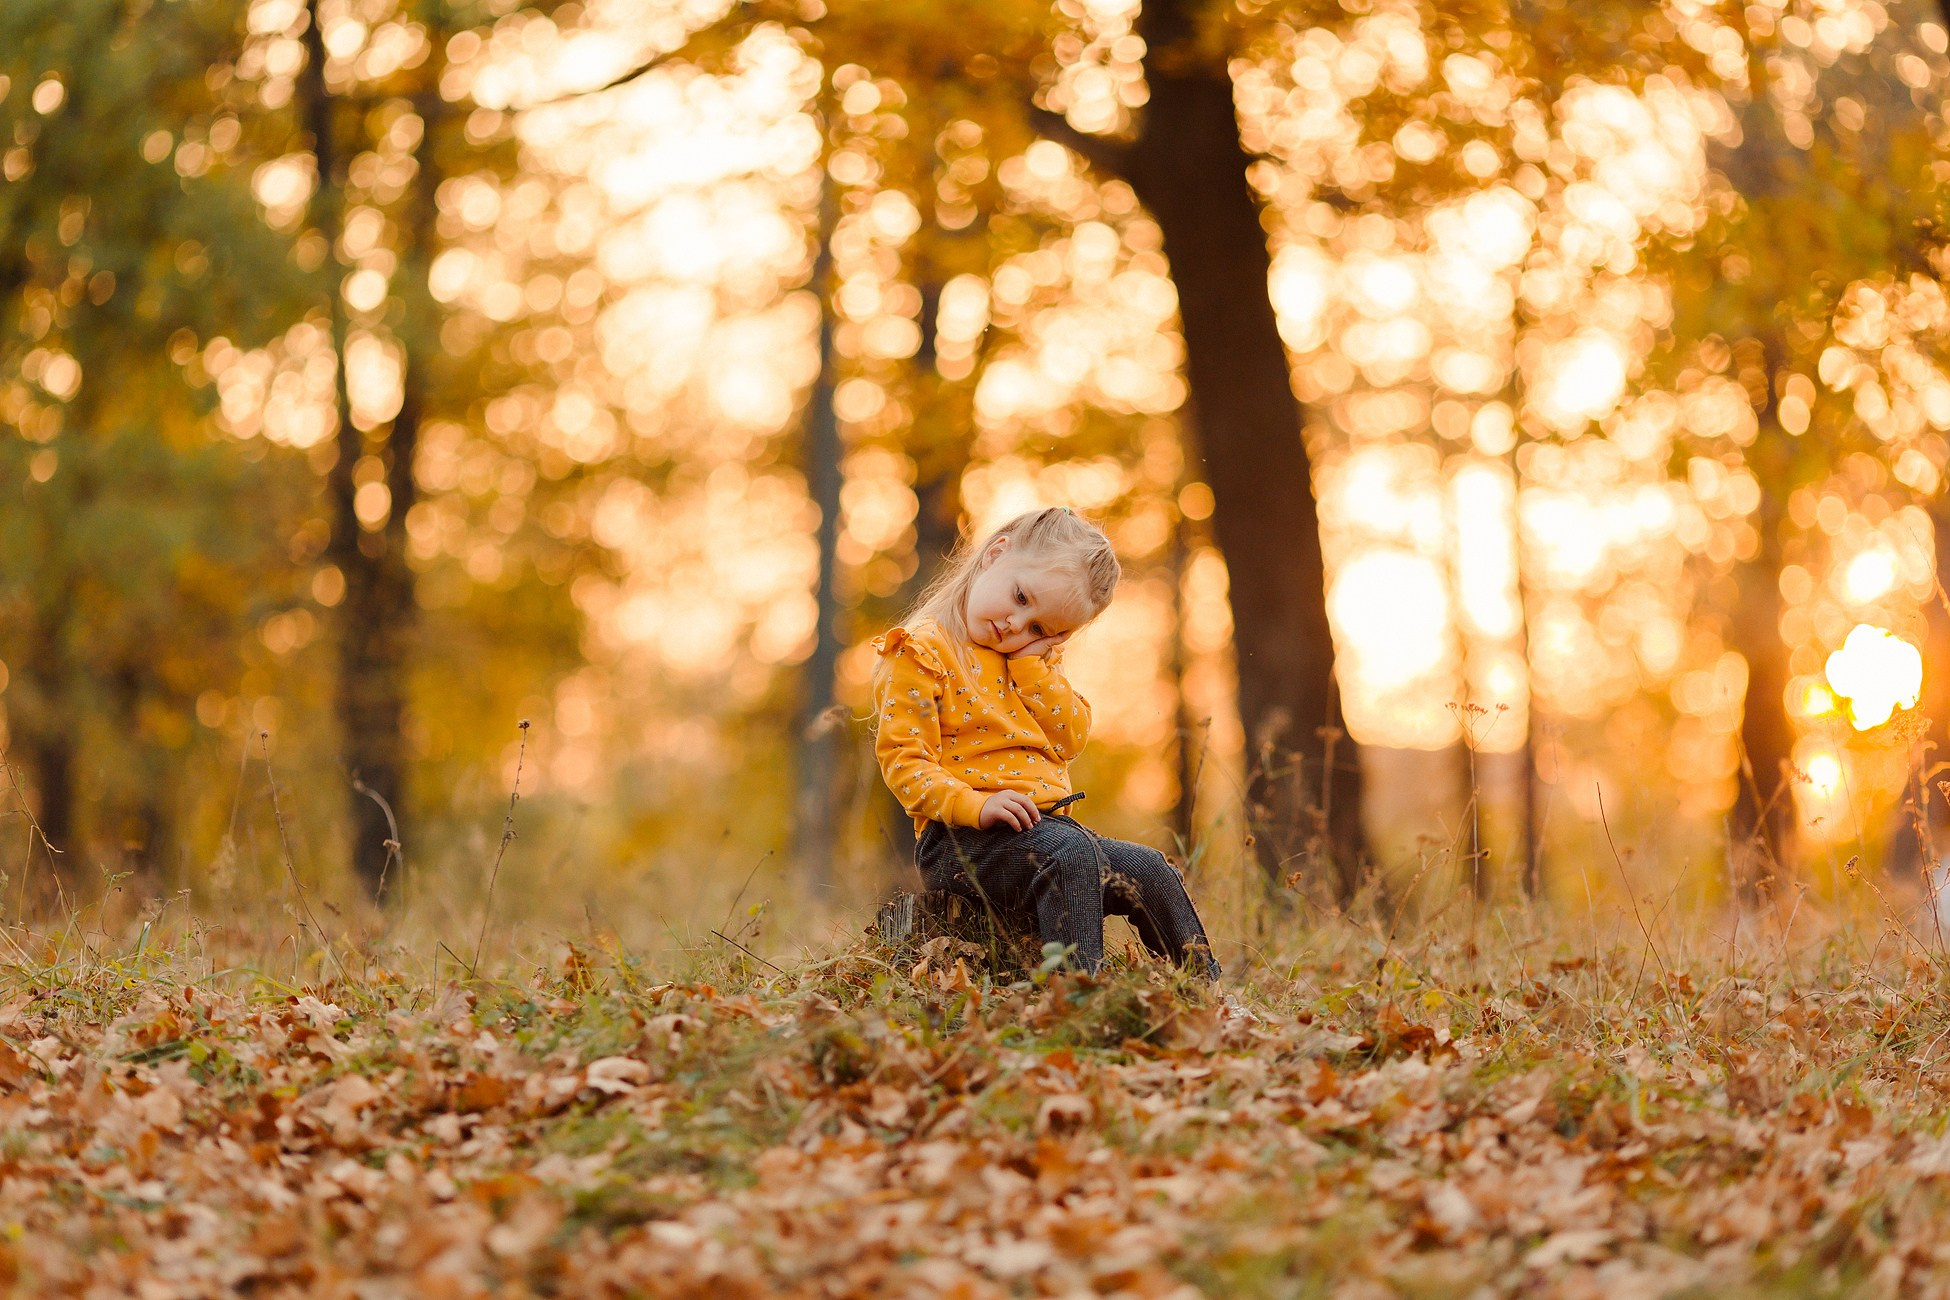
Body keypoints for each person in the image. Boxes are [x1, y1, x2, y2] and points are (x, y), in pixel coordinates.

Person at [871, 506, 1219, 979]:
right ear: (996, 554)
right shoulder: (922, 652)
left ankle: (1205, 991)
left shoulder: (1029, 664)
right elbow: (904, 762)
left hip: (1042, 832)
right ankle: (1076, 998)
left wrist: (1034, 667)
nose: (1016, 625)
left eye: (1040, 628)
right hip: (959, 839)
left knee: (1149, 867)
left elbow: (1070, 737)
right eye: (1020, 597)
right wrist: (975, 805)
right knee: (1071, 854)